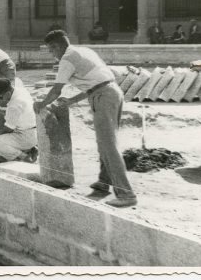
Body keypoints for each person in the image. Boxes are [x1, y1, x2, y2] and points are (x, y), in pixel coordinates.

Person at [34, 30, 137, 208]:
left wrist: (41, 104)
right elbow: (96, 82)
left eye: (51, 51)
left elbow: (56, 90)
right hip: (110, 93)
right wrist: (72, 100)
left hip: (104, 97)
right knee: (105, 142)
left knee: (108, 146)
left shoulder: (67, 59)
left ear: (57, 46)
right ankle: (104, 182)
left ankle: (126, 194)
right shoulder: (83, 51)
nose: (52, 55)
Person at [0, 78, 38, 163]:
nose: (0, 100)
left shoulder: (14, 105)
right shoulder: (21, 91)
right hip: (33, 132)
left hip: (26, 136)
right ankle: (30, 148)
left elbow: (8, 129)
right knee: (0, 135)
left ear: (8, 93)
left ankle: (24, 157)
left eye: (0, 97)